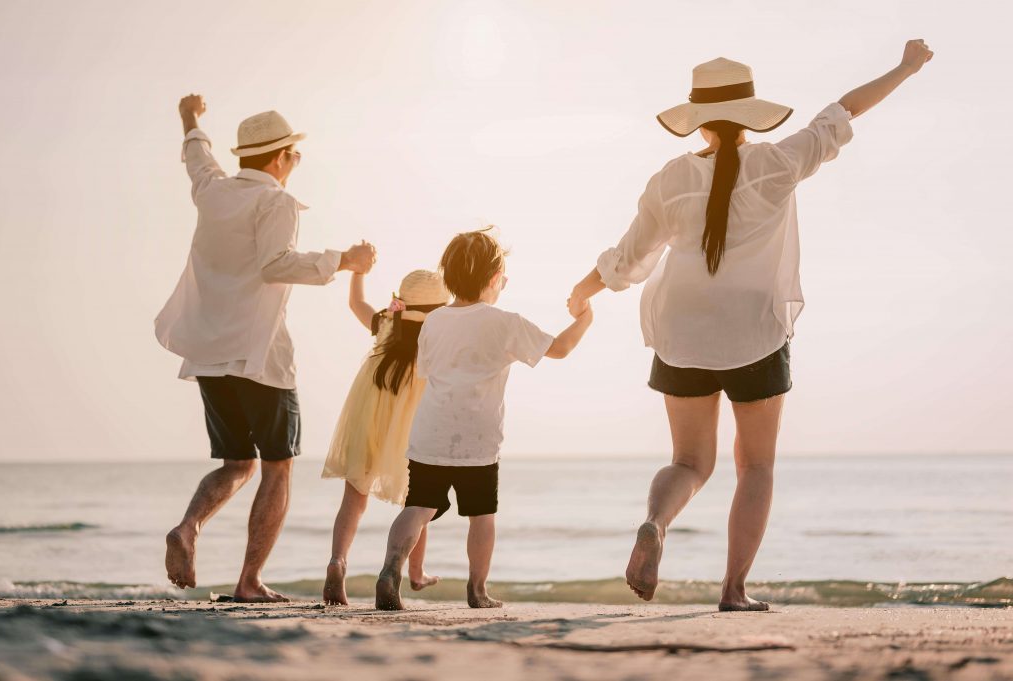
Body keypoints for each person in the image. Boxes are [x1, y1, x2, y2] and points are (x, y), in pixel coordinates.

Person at [568, 40, 934, 611]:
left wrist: (583, 290)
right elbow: (846, 110)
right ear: (749, 114)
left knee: (689, 463)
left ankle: (655, 525)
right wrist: (907, 68)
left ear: (697, 124)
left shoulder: (669, 179)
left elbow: (629, 258)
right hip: (756, 330)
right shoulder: (779, 162)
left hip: (682, 330)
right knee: (755, 464)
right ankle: (734, 590)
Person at [156, 94, 377, 602]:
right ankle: (249, 581)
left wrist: (190, 118)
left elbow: (197, 156)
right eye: (295, 154)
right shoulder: (275, 201)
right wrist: (346, 259)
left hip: (209, 352)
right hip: (260, 357)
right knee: (277, 465)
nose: (297, 162)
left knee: (238, 462)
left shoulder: (213, 191)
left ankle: (189, 526)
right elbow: (276, 264)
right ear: (279, 158)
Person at [375, 229, 593, 610]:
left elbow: (426, 371)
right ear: (495, 280)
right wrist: (585, 319)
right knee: (481, 515)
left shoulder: (435, 322)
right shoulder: (505, 322)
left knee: (419, 507)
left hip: (430, 434)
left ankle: (391, 569)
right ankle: (477, 590)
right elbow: (559, 348)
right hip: (477, 440)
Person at [321, 268, 451, 605]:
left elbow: (356, 302)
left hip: (368, 418)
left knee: (354, 496)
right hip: (413, 424)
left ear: (401, 300)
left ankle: (337, 560)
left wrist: (358, 273)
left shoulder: (386, 324)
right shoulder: (441, 336)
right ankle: (415, 572)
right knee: (420, 499)